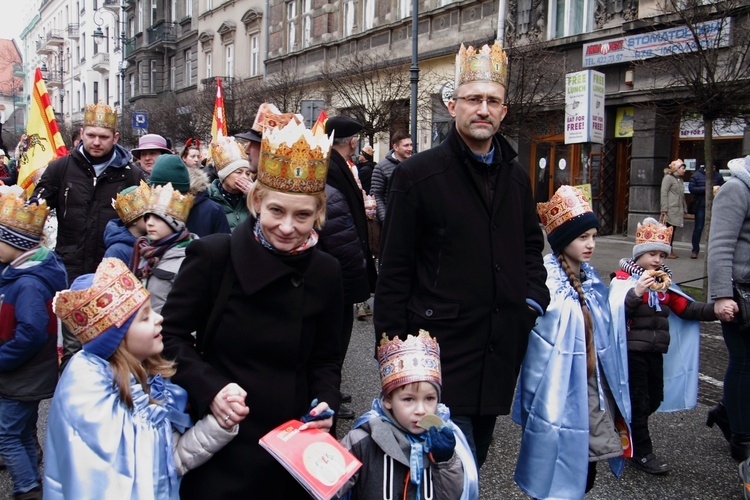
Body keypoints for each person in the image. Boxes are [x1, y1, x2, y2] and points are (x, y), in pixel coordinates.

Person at [374, 41, 549, 469]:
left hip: (497, 348)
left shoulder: (517, 177)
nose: (483, 109)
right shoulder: (418, 176)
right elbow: (394, 269)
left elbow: (531, 246)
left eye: (492, 100)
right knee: (444, 464)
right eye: (473, 99)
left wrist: (531, 299)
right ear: (453, 106)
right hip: (437, 355)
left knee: (475, 459)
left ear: (504, 111)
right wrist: (392, 353)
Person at [160, 119, 344, 498]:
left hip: (293, 443)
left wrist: (326, 403)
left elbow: (326, 359)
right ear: (257, 200)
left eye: (302, 216)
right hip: (224, 436)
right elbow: (169, 337)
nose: (288, 227)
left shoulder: (327, 271)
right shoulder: (214, 256)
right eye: (277, 211)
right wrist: (210, 388)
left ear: (318, 213)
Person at [44, 258, 243, 499]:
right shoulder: (93, 404)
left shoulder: (149, 379)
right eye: (145, 317)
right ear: (118, 339)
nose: (159, 318)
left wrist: (219, 425)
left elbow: (167, 464)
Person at [513, 185, 628, 498]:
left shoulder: (592, 280)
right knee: (554, 464)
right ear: (564, 241)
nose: (591, 244)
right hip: (559, 392)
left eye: (593, 236)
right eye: (583, 238)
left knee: (584, 468)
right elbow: (540, 344)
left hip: (592, 388)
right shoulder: (548, 282)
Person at [32, 102, 144, 369]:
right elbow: (37, 210)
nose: (96, 142)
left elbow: (144, 224)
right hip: (70, 266)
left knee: (110, 342)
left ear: (115, 138)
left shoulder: (132, 174)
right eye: (91, 135)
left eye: (103, 137)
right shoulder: (60, 168)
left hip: (112, 269)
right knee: (73, 344)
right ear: (81, 133)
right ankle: (74, 392)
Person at [610, 217, 717, 474]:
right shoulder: (623, 281)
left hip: (655, 352)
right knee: (639, 401)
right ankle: (642, 452)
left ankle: (628, 431)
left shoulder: (664, 285)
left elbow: (686, 308)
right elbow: (616, 311)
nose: (657, 260)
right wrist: (636, 292)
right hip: (632, 352)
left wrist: (716, 310)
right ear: (639, 255)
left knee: (654, 398)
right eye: (651, 254)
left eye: (661, 255)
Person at [337, 330, 478, 499]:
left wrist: (445, 462)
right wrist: (313, 439)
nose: (421, 410)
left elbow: (454, 496)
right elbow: (328, 487)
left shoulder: (445, 442)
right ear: (388, 400)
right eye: (409, 399)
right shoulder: (360, 441)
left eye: (429, 398)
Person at [0, 190, 67, 500]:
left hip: (21, 373)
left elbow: (31, 332)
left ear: (16, 245)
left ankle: (26, 488)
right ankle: (32, 482)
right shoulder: (28, 272)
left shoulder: (27, 283)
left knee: (6, 434)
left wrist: (4, 358)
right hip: (31, 371)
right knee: (22, 430)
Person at [323, 116, 378, 417]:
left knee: (340, 332)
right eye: (356, 136)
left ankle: (332, 387)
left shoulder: (340, 164)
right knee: (334, 334)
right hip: (339, 260)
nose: (358, 142)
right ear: (350, 140)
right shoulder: (331, 167)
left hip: (346, 255)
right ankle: (326, 393)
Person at [708, 154, 750, 462]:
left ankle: (727, 411)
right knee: (744, 362)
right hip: (740, 294)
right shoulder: (737, 189)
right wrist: (722, 295)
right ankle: (743, 438)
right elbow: (720, 245)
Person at [130, 182, 195, 313]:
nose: (149, 223)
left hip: (167, 329)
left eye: (158, 219)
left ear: (175, 224)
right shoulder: (143, 251)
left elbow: (190, 306)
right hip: (142, 327)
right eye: (147, 218)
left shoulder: (188, 258)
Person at [207, 135, 252, 231]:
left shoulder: (250, 200)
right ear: (225, 175)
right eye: (238, 172)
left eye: (247, 173)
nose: (244, 177)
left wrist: (254, 196)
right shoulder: (209, 200)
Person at [103, 181, 151, 264]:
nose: (152, 220)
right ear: (134, 220)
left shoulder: (151, 242)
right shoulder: (116, 251)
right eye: (147, 216)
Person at [370, 131, 413, 224]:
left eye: (411, 145)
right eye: (406, 145)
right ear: (395, 147)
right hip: (392, 220)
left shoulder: (416, 164)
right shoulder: (381, 167)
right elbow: (377, 195)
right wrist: (385, 219)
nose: (410, 148)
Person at [688, 164, 724, 258]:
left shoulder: (718, 176)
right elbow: (692, 189)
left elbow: (723, 187)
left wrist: (719, 189)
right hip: (701, 205)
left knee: (714, 228)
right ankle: (695, 250)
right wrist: (708, 189)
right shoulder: (696, 176)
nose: (712, 169)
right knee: (698, 228)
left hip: (715, 204)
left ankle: (712, 251)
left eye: (714, 168)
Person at [660, 159, 687, 259]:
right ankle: (666, 250)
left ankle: (668, 249)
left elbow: (681, 195)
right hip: (670, 208)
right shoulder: (668, 178)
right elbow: (664, 193)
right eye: (683, 168)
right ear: (677, 168)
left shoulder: (679, 179)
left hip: (676, 209)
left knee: (672, 230)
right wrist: (664, 208)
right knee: (668, 230)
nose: (684, 170)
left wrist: (684, 207)